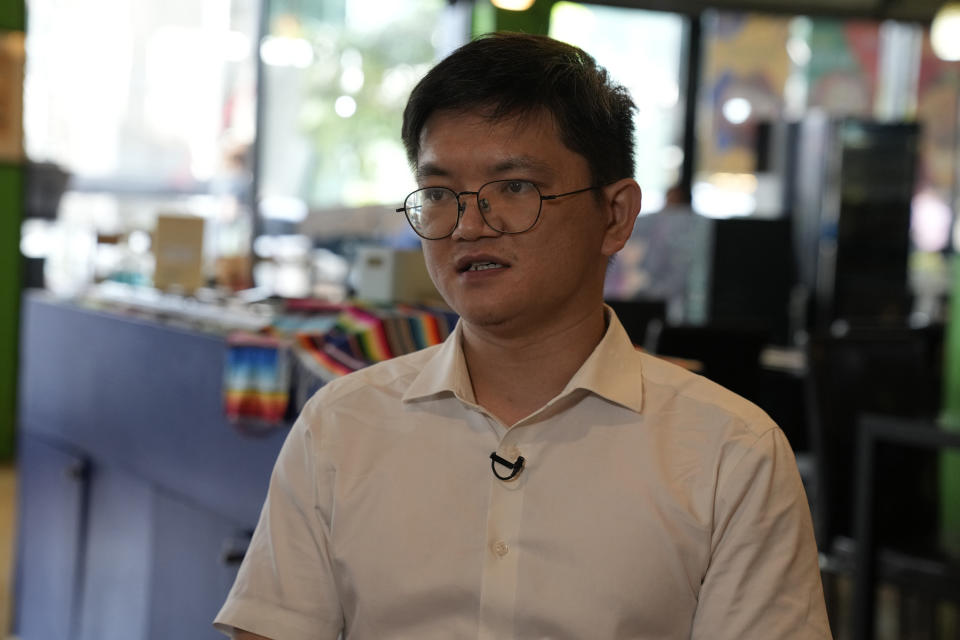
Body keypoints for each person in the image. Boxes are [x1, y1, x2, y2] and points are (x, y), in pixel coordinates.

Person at [214, 33, 830, 639]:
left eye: (515, 187)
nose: (469, 224)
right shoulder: (341, 426)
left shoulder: (731, 454)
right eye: (438, 192)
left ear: (615, 215)